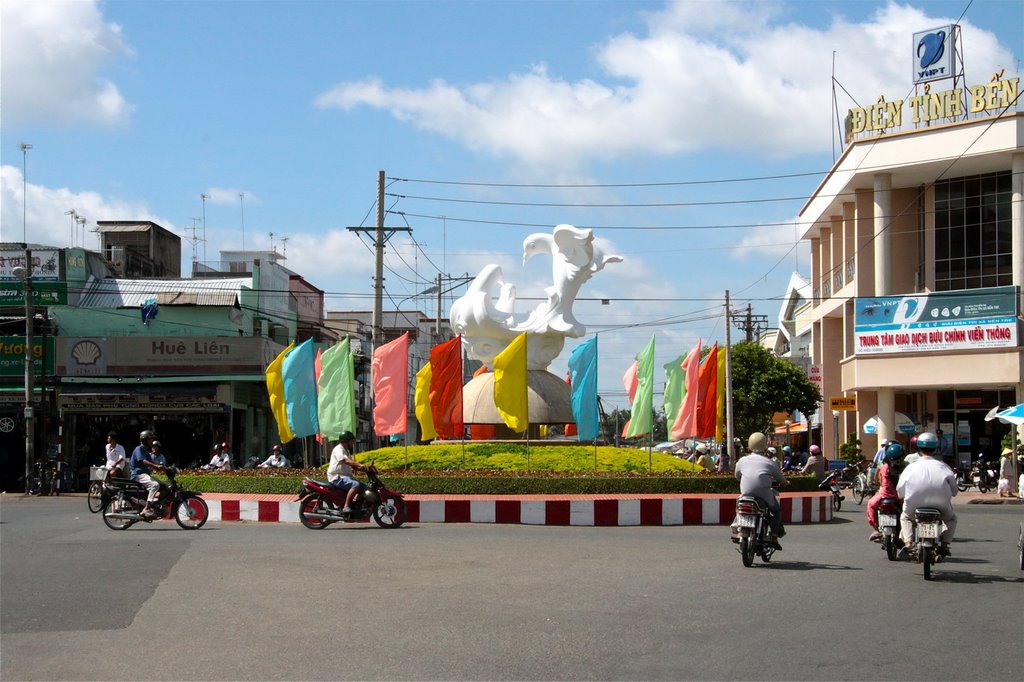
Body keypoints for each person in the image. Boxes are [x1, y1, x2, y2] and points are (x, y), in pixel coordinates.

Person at [896, 431, 957, 556]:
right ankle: (945, 544)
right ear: (935, 448)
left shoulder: (910, 467)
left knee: (905, 517)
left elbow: (900, 490)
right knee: (951, 520)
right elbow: (954, 490)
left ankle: (908, 543)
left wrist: (902, 497)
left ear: (918, 448)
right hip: (940, 505)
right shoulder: (944, 466)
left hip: (914, 505)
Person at [734, 432, 786, 550]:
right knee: (776, 511)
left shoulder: (742, 461)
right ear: (765, 445)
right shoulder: (770, 462)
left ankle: (739, 530)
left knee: (739, 507)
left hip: (746, 494)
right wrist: (784, 483)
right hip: (764, 494)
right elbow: (780, 478)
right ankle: (773, 536)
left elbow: (737, 476)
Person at [867, 442, 905, 541]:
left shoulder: (883, 467)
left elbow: (878, 479)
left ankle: (875, 529)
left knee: (871, 505)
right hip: (900, 496)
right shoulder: (906, 467)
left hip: (884, 496)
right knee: (907, 513)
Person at [129, 430, 168, 518]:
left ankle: (154, 504)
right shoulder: (139, 449)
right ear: (144, 440)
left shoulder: (146, 452)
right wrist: (155, 466)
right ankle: (147, 508)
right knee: (154, 485)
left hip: (145, 474)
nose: (152, 441)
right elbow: (144, 462)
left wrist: (167, 469)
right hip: (137, 474)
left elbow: (154, 464)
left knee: (164, 486)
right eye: (150, 439)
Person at [327, 431, 368, 514]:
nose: (352, 443)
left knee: (365, 488)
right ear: (346, 441)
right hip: (336, 477)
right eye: (351, 441)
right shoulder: (338, 449)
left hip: (345, 477)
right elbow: (346, 461)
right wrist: (360, 464)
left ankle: (357, 506)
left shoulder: (346, 451)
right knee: (355, 484)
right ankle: (346, 506)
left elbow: (353, 466)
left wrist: (366, 469)